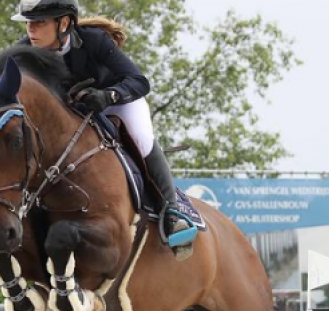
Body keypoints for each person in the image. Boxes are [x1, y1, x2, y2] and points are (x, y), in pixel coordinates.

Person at [12, 0, 196, 259]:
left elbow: (139, 81)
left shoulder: (93, 40)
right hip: (73, 113)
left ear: (63, 23)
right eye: (29, 23)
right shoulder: (23, 53)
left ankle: (173, 213)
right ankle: (17, 230)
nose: (31, 30)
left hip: (118, 103)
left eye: (39, 22)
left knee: (142, 140)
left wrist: (108, 96)